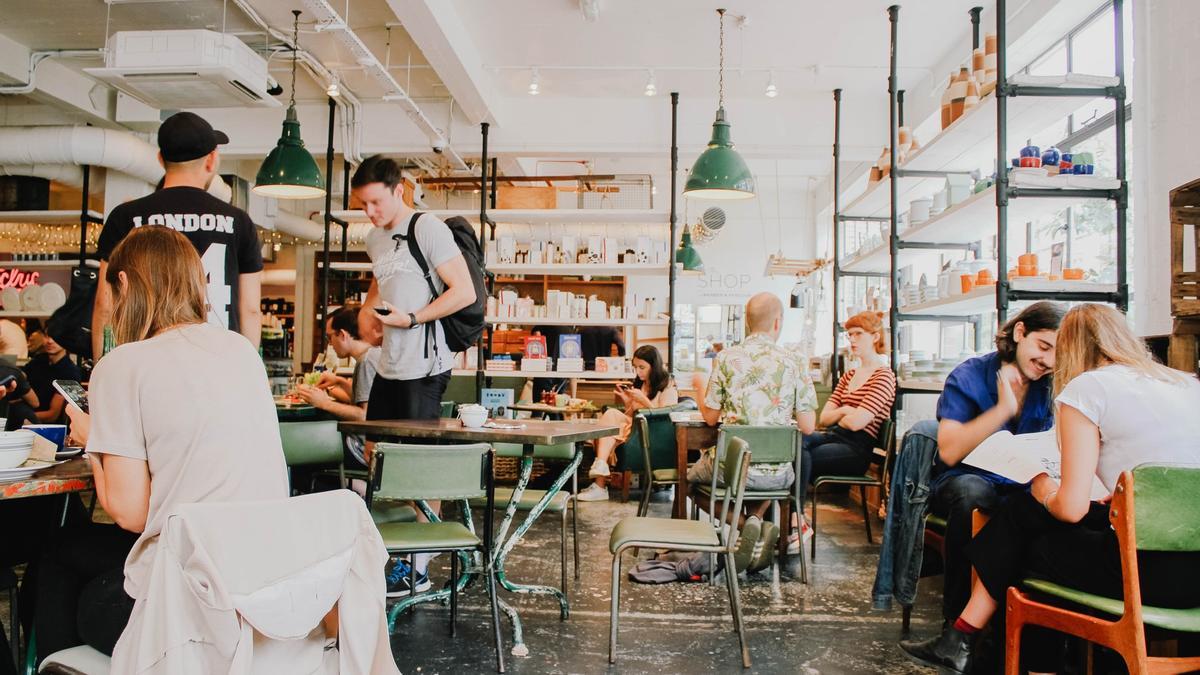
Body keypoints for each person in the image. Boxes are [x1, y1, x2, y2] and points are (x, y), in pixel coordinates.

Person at [33, 226, 288, 662]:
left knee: (56, 565)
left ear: (126, 284)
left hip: (189, 609)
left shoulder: (122, 364)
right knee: (69, 554)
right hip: (260, 585)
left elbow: (130, 513)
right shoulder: (241, 351)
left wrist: (94, 438)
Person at [901, 303, 1200, 674]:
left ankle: (996, 649)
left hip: (1141, 574)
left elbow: (1070, 508)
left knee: (1030, 535)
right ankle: (965, 638)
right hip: (1194, 573)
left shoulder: (1087, 388)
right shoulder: (1186, 382)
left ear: (1071, 348)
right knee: (1023, 514)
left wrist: (1042, 485)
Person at [93, 111, 264, 358]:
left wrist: (103, 367)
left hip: (148, 359)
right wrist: (249, 371)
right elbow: (250, 310)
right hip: (218, 361)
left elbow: (105, 304)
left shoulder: (126, 217)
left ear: (161, 159)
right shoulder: (238, 222)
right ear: (211, 160)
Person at [690, 292, 818, 569]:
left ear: (747, 323)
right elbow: (808, 426)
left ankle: (745, 525)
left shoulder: (726, 358)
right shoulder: (795, 361)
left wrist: (700, 388)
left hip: (734, 470)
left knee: (688, 480)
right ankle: (756, 522)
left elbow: (710, 418)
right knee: (762, 475)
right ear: (777, 322)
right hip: (781, 474)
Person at [351, 155, 476, 421]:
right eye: (363, 204)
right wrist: (366, 310)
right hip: (387, 366)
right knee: (374, 449)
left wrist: (411, 319)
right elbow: (382, 277)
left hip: (425, 367)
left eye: (376, 202)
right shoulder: (374, 239)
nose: (370, 212)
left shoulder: (426, 228)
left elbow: (465, 291)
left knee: (413, 456)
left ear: (398, 191)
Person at [794, 311, 895, 552]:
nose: (852, 340)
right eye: (850, 335)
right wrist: (845, 410)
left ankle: (794, 520)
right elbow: (825, 417)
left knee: (797, 454)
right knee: (795, 440)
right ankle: (794, 520)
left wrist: (844, 412)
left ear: (875, 337)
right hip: (834, 437)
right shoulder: (849, 375)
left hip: (857, 449)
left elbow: (859, 423)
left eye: (858, 334)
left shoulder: (884, 376)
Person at [577, 345, 679, 502]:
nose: (638, 372)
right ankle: (600, 473)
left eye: (642, 367)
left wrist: (643, 399)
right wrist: (627, 401)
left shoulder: (668, 385)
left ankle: (600, 483)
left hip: (651, 433)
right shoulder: (642, 384)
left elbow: (665, 417)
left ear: (655, 365)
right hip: (635, 427)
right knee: (609, 420)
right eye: (635, 367)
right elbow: (633, 413)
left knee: (608, 424)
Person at [295, 305, 381, 469]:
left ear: (342, 334)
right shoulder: (372, 354)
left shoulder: (366, 362)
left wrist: (324, 403)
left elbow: (365, 416)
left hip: (362, 448)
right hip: (372, 445)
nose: (330, 344)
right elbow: (369, 400)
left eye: (329, 337)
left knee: (302, 445)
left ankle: (354, 487)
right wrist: (339, 381)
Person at [22, 332, 81, 424]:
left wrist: (20, 417)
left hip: (51, 428)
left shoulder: (70, 372)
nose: (50, 341)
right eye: (46, 336)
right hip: (27, 417)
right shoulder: (38, 361)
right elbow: (20, 377)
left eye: (55, 337)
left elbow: (52, 415)